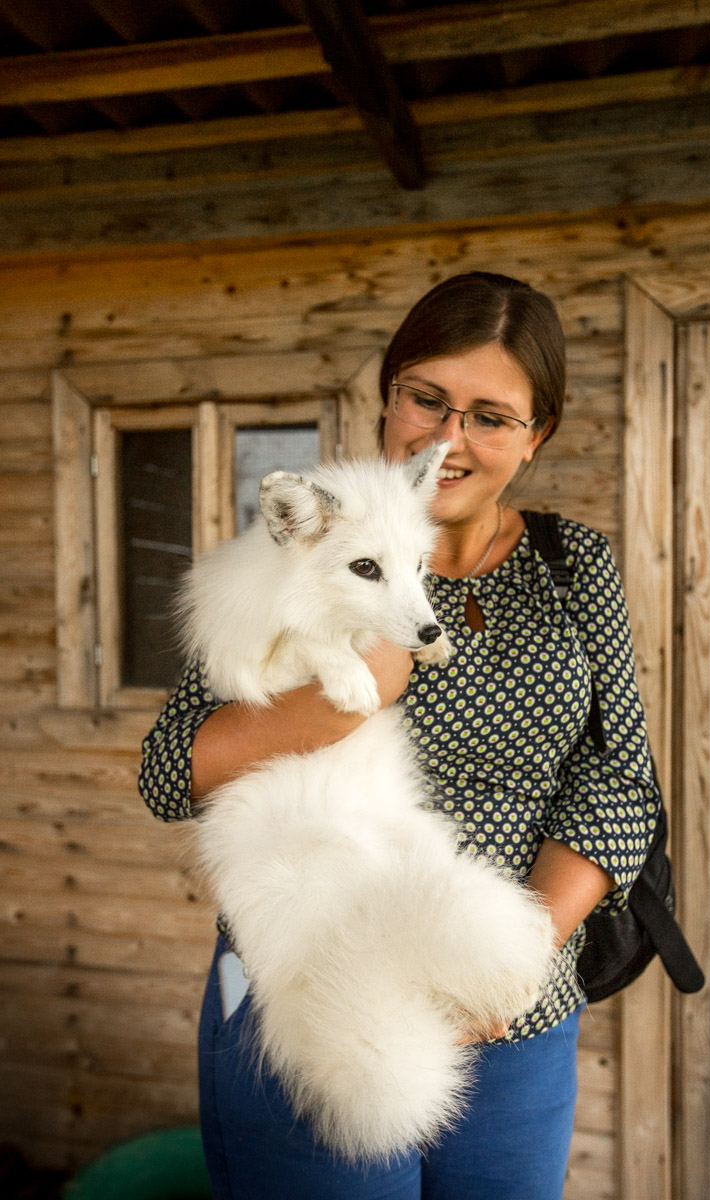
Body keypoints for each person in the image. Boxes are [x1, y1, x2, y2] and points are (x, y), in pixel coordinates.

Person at [139, 271, 659, 1200]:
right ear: (388, 399)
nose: (448, 439)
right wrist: (345, 701)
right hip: (313, 991)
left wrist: (511, 964)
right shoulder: (298, 551)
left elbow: (619, 781)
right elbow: (169, 771)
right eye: (427, 399)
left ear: (535, 435)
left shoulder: (570, 565)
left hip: (512, 1013)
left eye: (490, 417)